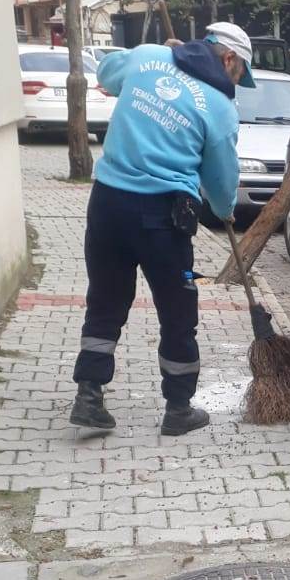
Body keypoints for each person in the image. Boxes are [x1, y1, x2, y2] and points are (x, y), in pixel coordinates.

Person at [68, 22, 253, 436]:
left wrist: (149, 51)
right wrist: (224, 210)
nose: (237, 82)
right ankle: (179, 408)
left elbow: (106, 72)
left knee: (105, 300)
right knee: (178, 308)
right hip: (165, 221)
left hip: (108, 206)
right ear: (228, 59)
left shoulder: (149, 57)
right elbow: (222, 184)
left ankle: (89, 395)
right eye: (240, 72)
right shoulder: (220, 109)